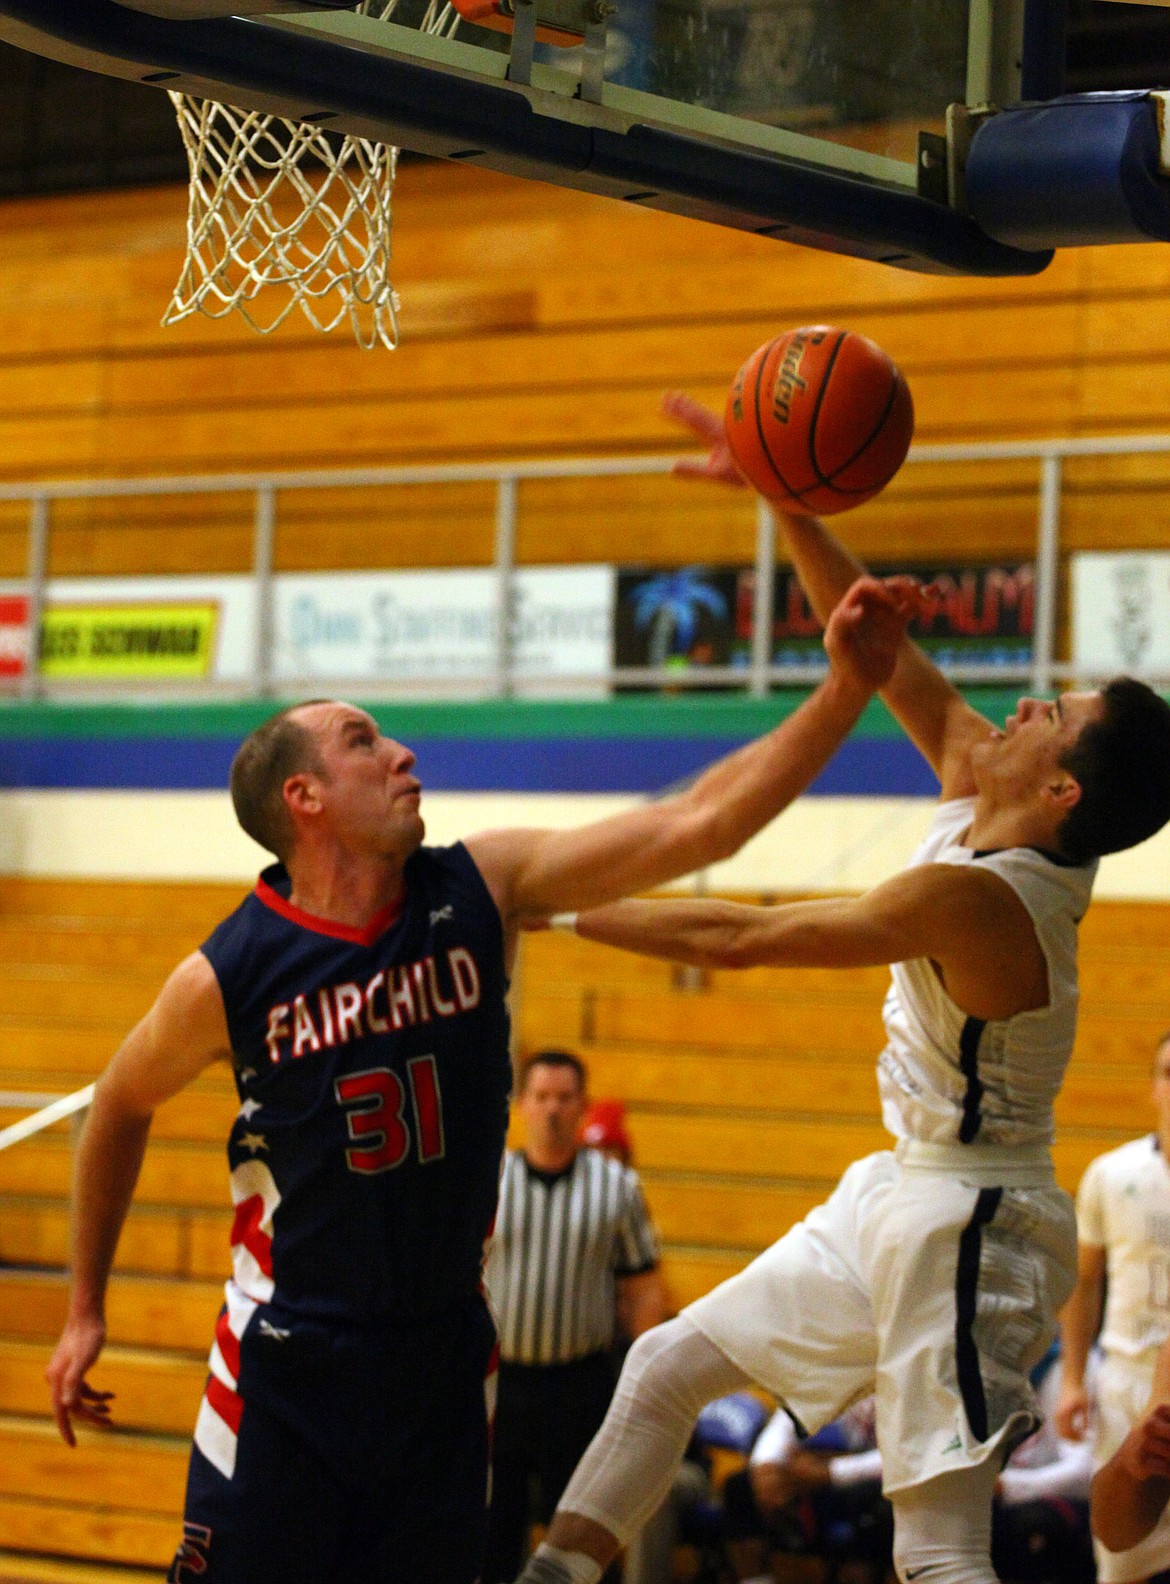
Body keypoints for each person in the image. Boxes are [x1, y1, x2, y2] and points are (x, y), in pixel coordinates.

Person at [42, 574, 915, 1584]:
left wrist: (846, 687)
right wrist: (85, 1307)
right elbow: (117, 1104)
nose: (404, 752)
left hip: (443, 1354)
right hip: (286, 1358)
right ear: (304, 798)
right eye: (365, 741)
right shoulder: (229, 972)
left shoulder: (483, 887)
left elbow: (702, 825)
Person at [511, 394, 1170, 1584]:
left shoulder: (987, 903)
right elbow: (881, 651)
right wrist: (781, 486)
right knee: (661, 1368)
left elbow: (741, 936)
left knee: (938, 1550)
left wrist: (543, 902)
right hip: (901, 1190)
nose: (1030, 702)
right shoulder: (981, 772)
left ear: (1067, 790)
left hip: (977, 1220)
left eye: (1057, 713)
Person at [482, 1048, 666, 1584]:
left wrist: (642, 1377)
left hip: (578, 1384)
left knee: (584, 1532)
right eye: (541, 1097)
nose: (553, 1109)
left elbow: (643, 1286)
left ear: (583, 1105)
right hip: (503, 1383)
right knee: (495, 1529)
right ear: (521, 1105)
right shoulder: (492, 1180)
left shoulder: (617, 1187)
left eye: (565, 1097)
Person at [1057, 1030, 1170, 1582]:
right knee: (1121, 1556)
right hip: (1129, 1381)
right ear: (1152, 1087)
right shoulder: (1112, 1174)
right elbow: (1083, 1283)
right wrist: (1073, 1378)